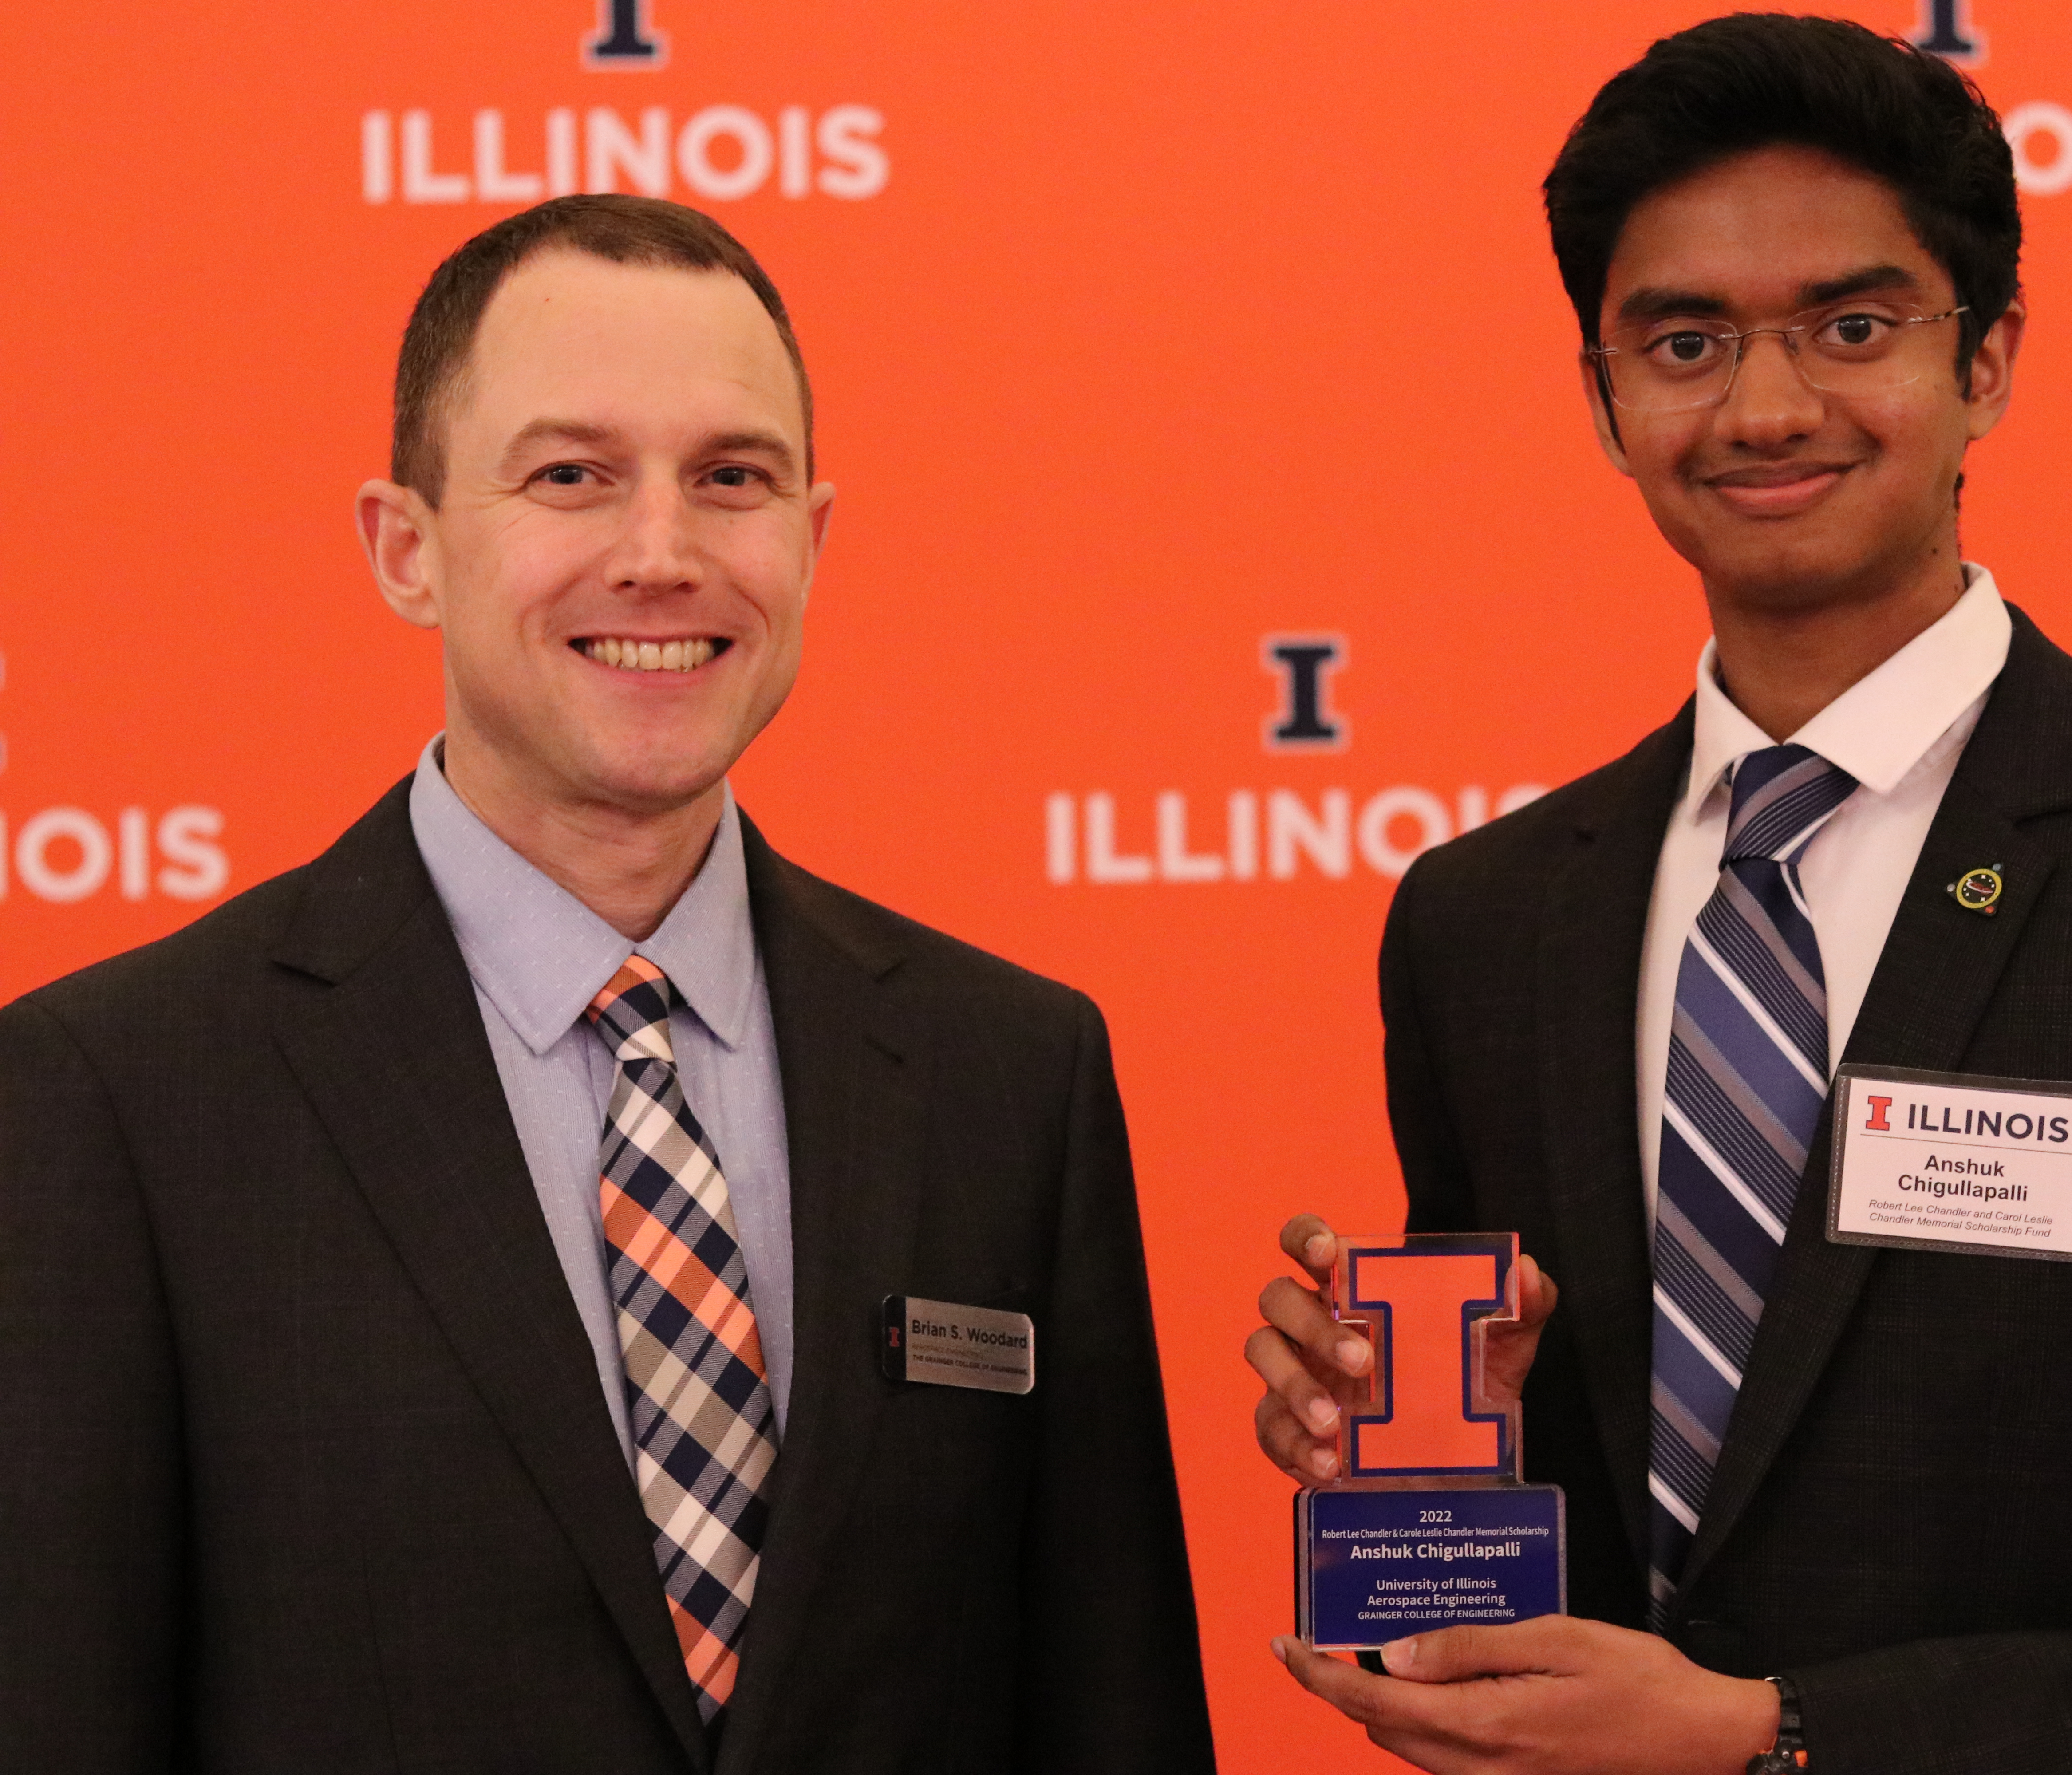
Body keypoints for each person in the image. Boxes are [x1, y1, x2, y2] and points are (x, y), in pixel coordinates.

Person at [1245, 16, 2072, 1773]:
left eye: (1853, 328)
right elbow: (1621, 1571)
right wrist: (1428, 1448)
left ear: (1988, 358)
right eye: (1683, 341)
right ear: (1603, 398)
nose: (1766, 409)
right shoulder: (1487, 923)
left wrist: (1789, 1737)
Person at [0, 195, 1214, 1774]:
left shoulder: (1012, 1070)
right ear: (407, 549)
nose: (663, 554)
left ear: (813, 541)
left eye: (733, 480)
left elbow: (1107, 1716)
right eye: (570, 476)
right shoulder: (111, 1093)